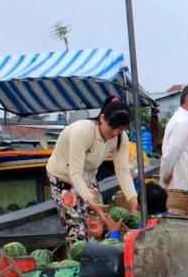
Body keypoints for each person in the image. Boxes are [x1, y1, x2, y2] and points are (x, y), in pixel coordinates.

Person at [45, 97, 137, 243]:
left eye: (120, 129)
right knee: (77, 229)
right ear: (101, 118)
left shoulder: (120, 138)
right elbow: (75, 173)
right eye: (112, 127)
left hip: (88, 178)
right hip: (63, 177)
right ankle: (79, 263)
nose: (115, 133)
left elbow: (122, 170)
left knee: (97, 227)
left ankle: (98, 261)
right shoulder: (82, 132)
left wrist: (132, 198)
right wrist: (90, 200)